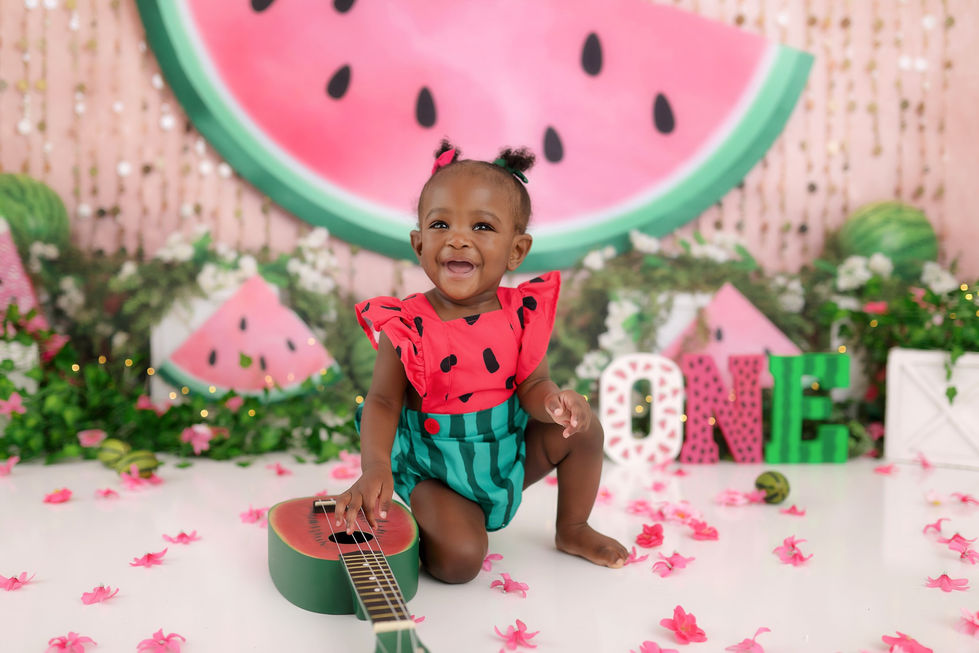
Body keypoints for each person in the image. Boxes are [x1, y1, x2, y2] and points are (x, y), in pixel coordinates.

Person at [334, 140, 628, 583]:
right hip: (436, 470)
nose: (458, 238)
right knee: (460, 563)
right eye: (440, 224)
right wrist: (375, 466)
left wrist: (556, 403)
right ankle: (430, 527)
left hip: (505, 456)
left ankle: (573, 528)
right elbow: (381, 402)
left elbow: (532, 386)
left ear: (517, 250)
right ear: (418, 243)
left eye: (482, 228)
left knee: (585, 432)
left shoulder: (522, 315)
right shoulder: (408, 325)